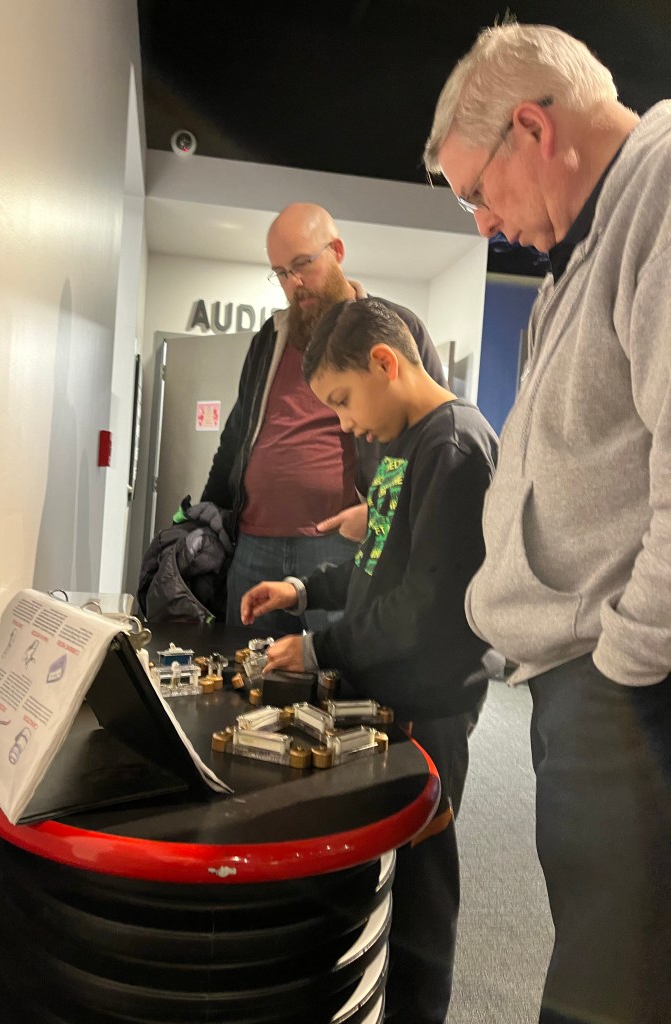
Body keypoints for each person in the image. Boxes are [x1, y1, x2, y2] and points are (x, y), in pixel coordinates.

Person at [424, 20, 671, 1024]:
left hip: (625, 689)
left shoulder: (661, 186)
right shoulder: (581, 251)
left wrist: (626, 662)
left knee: (610, 995)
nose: (484, 223)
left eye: (478, 192)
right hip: (582, 684)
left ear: (532, 128)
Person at [241, 298, 498, 1024]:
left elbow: (422, 607)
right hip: (391, 696)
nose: (345, 424)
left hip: (431, 711)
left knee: (421, 895)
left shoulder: (453, 448)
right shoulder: (406, 442)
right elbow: (376, 563)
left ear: (385, 363)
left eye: (343, 400)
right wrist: (302, 589)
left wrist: (320, 646)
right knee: (379, 877)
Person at [199, 202, 446, 634]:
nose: (293, 283)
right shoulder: (270, 337)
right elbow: (237, 437)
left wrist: (380, 513)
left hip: (341, 546)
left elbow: (426, 433)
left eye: (302, 265)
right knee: (242, 670)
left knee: (335, 668)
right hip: (254, 545)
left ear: (337, 251)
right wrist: (204, 518)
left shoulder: (393, 326)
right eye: (280, 272)